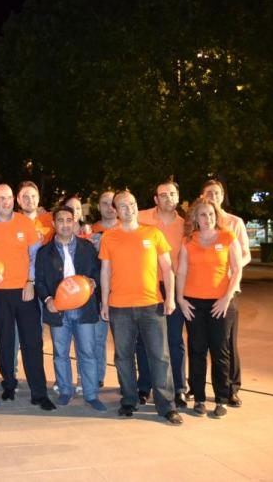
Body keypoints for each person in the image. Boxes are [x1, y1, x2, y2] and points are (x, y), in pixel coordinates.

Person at [99, 190, 182, 425]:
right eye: (123, 206)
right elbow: (105, 272)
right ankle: (129, 400)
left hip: (151, 305)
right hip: (119, 307)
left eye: (132, 204)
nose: (129, 209)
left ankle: (166, 406)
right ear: (115, 210)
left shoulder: (153, 233)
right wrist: (104, 302)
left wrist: (171, 298)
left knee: (160, 357)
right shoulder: (109, 236)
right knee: (123, 357)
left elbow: (167, 269)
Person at [0, 184, 55, 411]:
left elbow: (35, 257)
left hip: (25, 291)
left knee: (32, 342)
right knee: (5, 342)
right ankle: (8, 384)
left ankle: (39, 392)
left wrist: (31, 282)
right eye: (1, 198)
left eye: (8, 198)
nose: (6, 202)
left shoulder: (24, 223)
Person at [176, 198, 243, 418]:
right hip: (194, 304)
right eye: (203, 215)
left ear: (217, 216)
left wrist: (226, 298)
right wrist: (181, 299)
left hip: (221, 303)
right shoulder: (189, 241)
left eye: (211, 215)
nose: (207, 219)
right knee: (196, 351)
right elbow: (182, 272)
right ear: (195, 217)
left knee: (220, 351)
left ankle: (222, 399)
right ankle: (200, 399)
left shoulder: (227, 237)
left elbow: (236, 269)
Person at [36, 205, 105, 411]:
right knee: (60, 353)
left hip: (84, 308)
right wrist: (48, 299)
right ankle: (65, 390)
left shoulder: (87, 247)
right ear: (53, 223)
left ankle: (91, 394)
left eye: (69, 220)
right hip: (58, 310)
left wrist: (93, 283)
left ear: (74, 221)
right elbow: (39, 281)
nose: (65, 225)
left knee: (88, 352)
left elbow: (97, 271)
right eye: (61, 220)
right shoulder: (44, 252)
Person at [136, 180, 188, 407]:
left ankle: (178, 388)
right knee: (145, 340)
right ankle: (144, 386)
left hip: (173, 286)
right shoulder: (141, 217)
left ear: (178, 197)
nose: (168, 198)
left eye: (172, 194)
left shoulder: (186, 226)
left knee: (174, 340)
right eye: (163, 195)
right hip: (144, 286)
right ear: (156, 199)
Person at [201, 179, 251, 408]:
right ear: (202, 196)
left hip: (228, 288)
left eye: (217, 192)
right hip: (203, 289)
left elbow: (246, 254)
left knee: (227, 342)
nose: (213, 196)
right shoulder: (200, 221)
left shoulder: (235, 223)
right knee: (202, 344)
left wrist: (233, 267)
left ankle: (231, 388)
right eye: (209, 192)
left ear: (222, 196)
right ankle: (198, 388)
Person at [90, 190, 117, 387]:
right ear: (98, 207)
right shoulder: (91, 232)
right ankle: (98, 377)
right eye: (105, 203)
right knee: (98, 338)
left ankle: (129, 382)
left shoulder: (128, 229)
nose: (109, 207)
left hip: (124, 291)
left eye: (113, 203)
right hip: (101, 293)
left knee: (126, 342)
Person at [17, 181, 54, 245]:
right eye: (25, 196)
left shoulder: (51, 219)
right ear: (18, 200)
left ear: (38, 198)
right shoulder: (13, 223)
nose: (30, 200)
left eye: (33, 196)